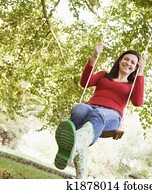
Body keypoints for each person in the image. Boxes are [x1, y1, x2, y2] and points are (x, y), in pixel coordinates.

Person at [54, 43, 146, 178]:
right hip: (90, 108)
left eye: (133, 62)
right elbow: (84, 83)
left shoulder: (132, 85)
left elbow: (138, 102)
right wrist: (94, 57)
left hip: (112, 116)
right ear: (120, 60)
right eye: (126, 59)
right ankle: (80, 167)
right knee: (79, 108)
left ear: (136, 67)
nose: (128, 63)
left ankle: (71, 148)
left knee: (99, 114)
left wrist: (141, 73)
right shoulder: (104, 75)